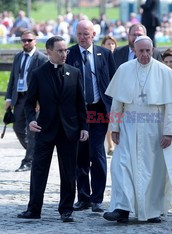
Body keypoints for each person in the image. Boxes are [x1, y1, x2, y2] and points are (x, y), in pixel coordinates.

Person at [103, 36, 172, 223]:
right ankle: (121, 208)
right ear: (134, 50)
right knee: (121, 166)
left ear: (152, 49)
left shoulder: (164, 72)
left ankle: (152, 211)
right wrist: (114, 127)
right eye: (141, 51)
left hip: (154, 128)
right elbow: (117, 103)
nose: (145, 54)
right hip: (128, 126)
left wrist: (168, 132)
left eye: (148, 50)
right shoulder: (124, 69)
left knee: (152, 171)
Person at [17, 36, 88, 222]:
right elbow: (29, 103)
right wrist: (31, 119)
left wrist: (84, 127)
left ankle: (66, 210)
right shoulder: (38, 74)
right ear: (49, 51)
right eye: (60, 51)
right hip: (44, 129)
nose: (64, 54)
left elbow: (81, 104)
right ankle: (34, 209)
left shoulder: (75, 73)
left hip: (69, 130)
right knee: (39, 171)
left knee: (68, 172)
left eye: (66, 50)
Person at [66, 19, 116, 213]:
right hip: (78, 112)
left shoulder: (104, 54)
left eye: (86, 34)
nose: (82, 37)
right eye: (79, 34)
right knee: (80, 155)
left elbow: (112, 81)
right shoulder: (69, 54)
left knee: (97, 152)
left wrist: (114, 109)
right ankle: (84, 197)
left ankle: (97, 198)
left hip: (98, 110)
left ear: (94, 35)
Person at [5, 30, 47, 172]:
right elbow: (13, 78)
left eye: (29, 40)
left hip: (34, 100)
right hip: (19, 98)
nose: (26, 43)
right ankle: (35, 153)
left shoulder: (41, 58)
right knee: (17, 127)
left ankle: (28, 161)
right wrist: (9, 98)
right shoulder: (18, 57)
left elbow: (44, 82)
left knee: (32, 131)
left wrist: (40, 101)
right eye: (24, 40)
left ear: (35, 41)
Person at [101, 35, 117, 155]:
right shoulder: (102, 57)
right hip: (106, 92)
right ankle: (110, 144)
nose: (111, 46)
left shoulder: (118, 56)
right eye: (108, 43)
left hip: (116, 92)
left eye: (112, 43)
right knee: (108, 119)